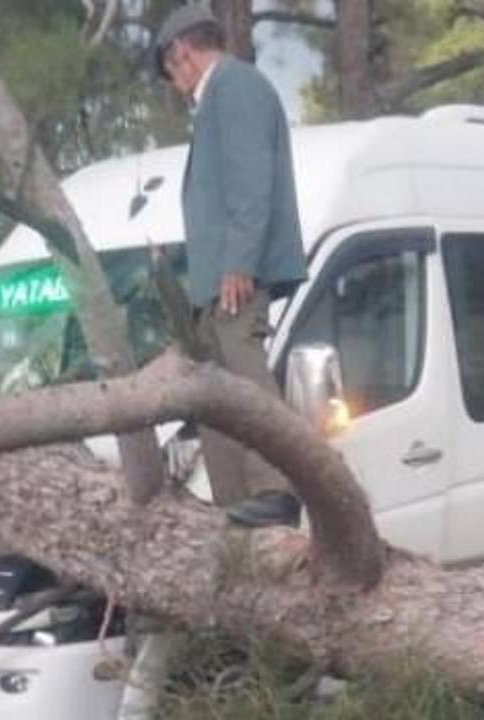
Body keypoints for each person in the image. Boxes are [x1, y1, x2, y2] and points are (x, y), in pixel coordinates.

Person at [154, 3, 308, 526]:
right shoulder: (223, 95)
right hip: (213, 281)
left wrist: (238, 263)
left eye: (172, 71)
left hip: (233, 276)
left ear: (183, 54)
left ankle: (276, 487)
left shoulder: (235, 87)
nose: (176, 85)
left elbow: (251, 182)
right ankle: (235, 501)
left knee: (244, 376)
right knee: (218, 392)